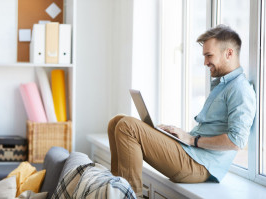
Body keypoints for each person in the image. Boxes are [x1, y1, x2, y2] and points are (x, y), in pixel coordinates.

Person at [107, 24, 256, 197]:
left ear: (229, 53)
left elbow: (236, 141)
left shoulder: (240, 89)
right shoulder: (223, 85)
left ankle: (130, 196)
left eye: (209, 55)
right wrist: (180, 134)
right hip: (192, 153)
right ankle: (118, 193)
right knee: (116, 121)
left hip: (200, 165)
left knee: (127, 126)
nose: (205, 62)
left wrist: (192, 140)